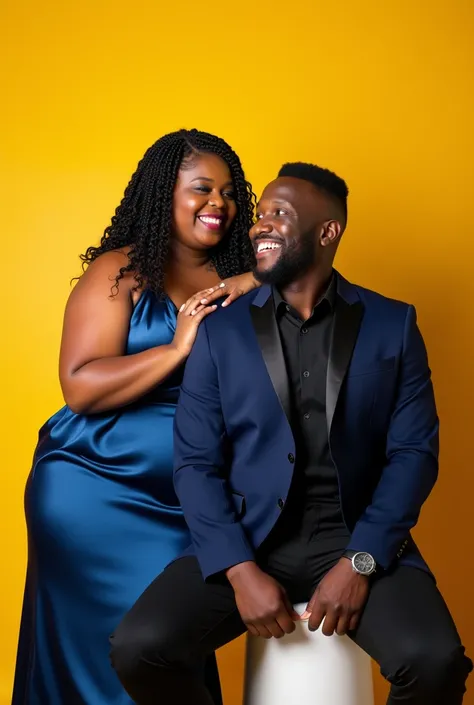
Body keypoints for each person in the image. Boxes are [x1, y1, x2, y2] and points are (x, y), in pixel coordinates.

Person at [110, 162, 472, 705]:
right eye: (260, 216)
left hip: (354, 534)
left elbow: (414, 454)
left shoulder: (392, 323)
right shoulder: (219, 333)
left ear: (328, 232)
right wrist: (237, 568)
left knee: (436, 662)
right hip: (250, 536)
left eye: (279, 214)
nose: (260, 226)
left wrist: (362, 560)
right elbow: (195, 463)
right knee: (139, 648)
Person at [12, 129, 259, 705]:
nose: (217, 203)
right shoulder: (121, 271)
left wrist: (251, 278)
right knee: (97, 659)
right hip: (91, 491)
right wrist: (176, 349)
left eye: (228, 192)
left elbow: (308, 271)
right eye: (201, 188)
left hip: (190, 500)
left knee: (165, 648)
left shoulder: (240, 280)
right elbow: (79, 387)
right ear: (162, 193)